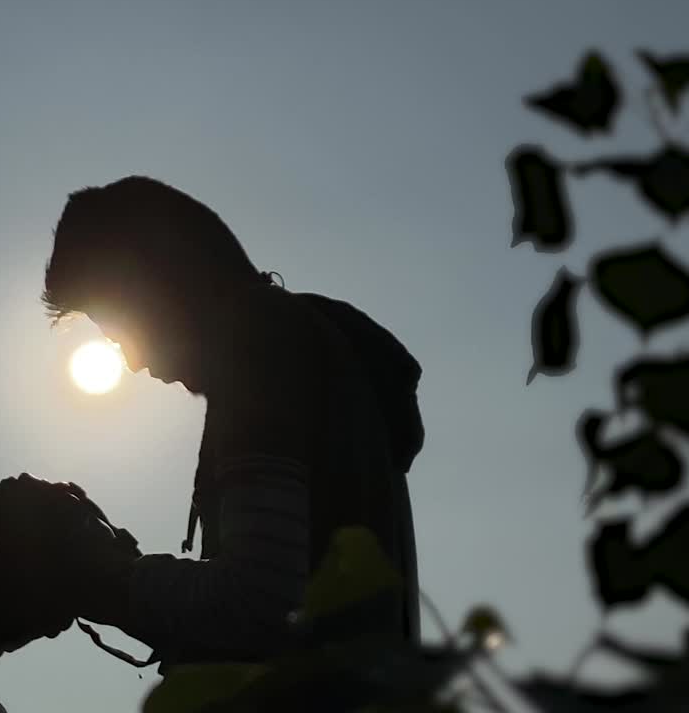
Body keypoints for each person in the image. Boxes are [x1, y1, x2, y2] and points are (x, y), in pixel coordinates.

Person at [40, 175, 424, 668]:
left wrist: (99, 579)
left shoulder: (259, 351)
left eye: (119, 331)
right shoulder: (307, 344)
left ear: (164, 281)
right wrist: (121, 574)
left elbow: (259, 604)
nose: (132, 362)